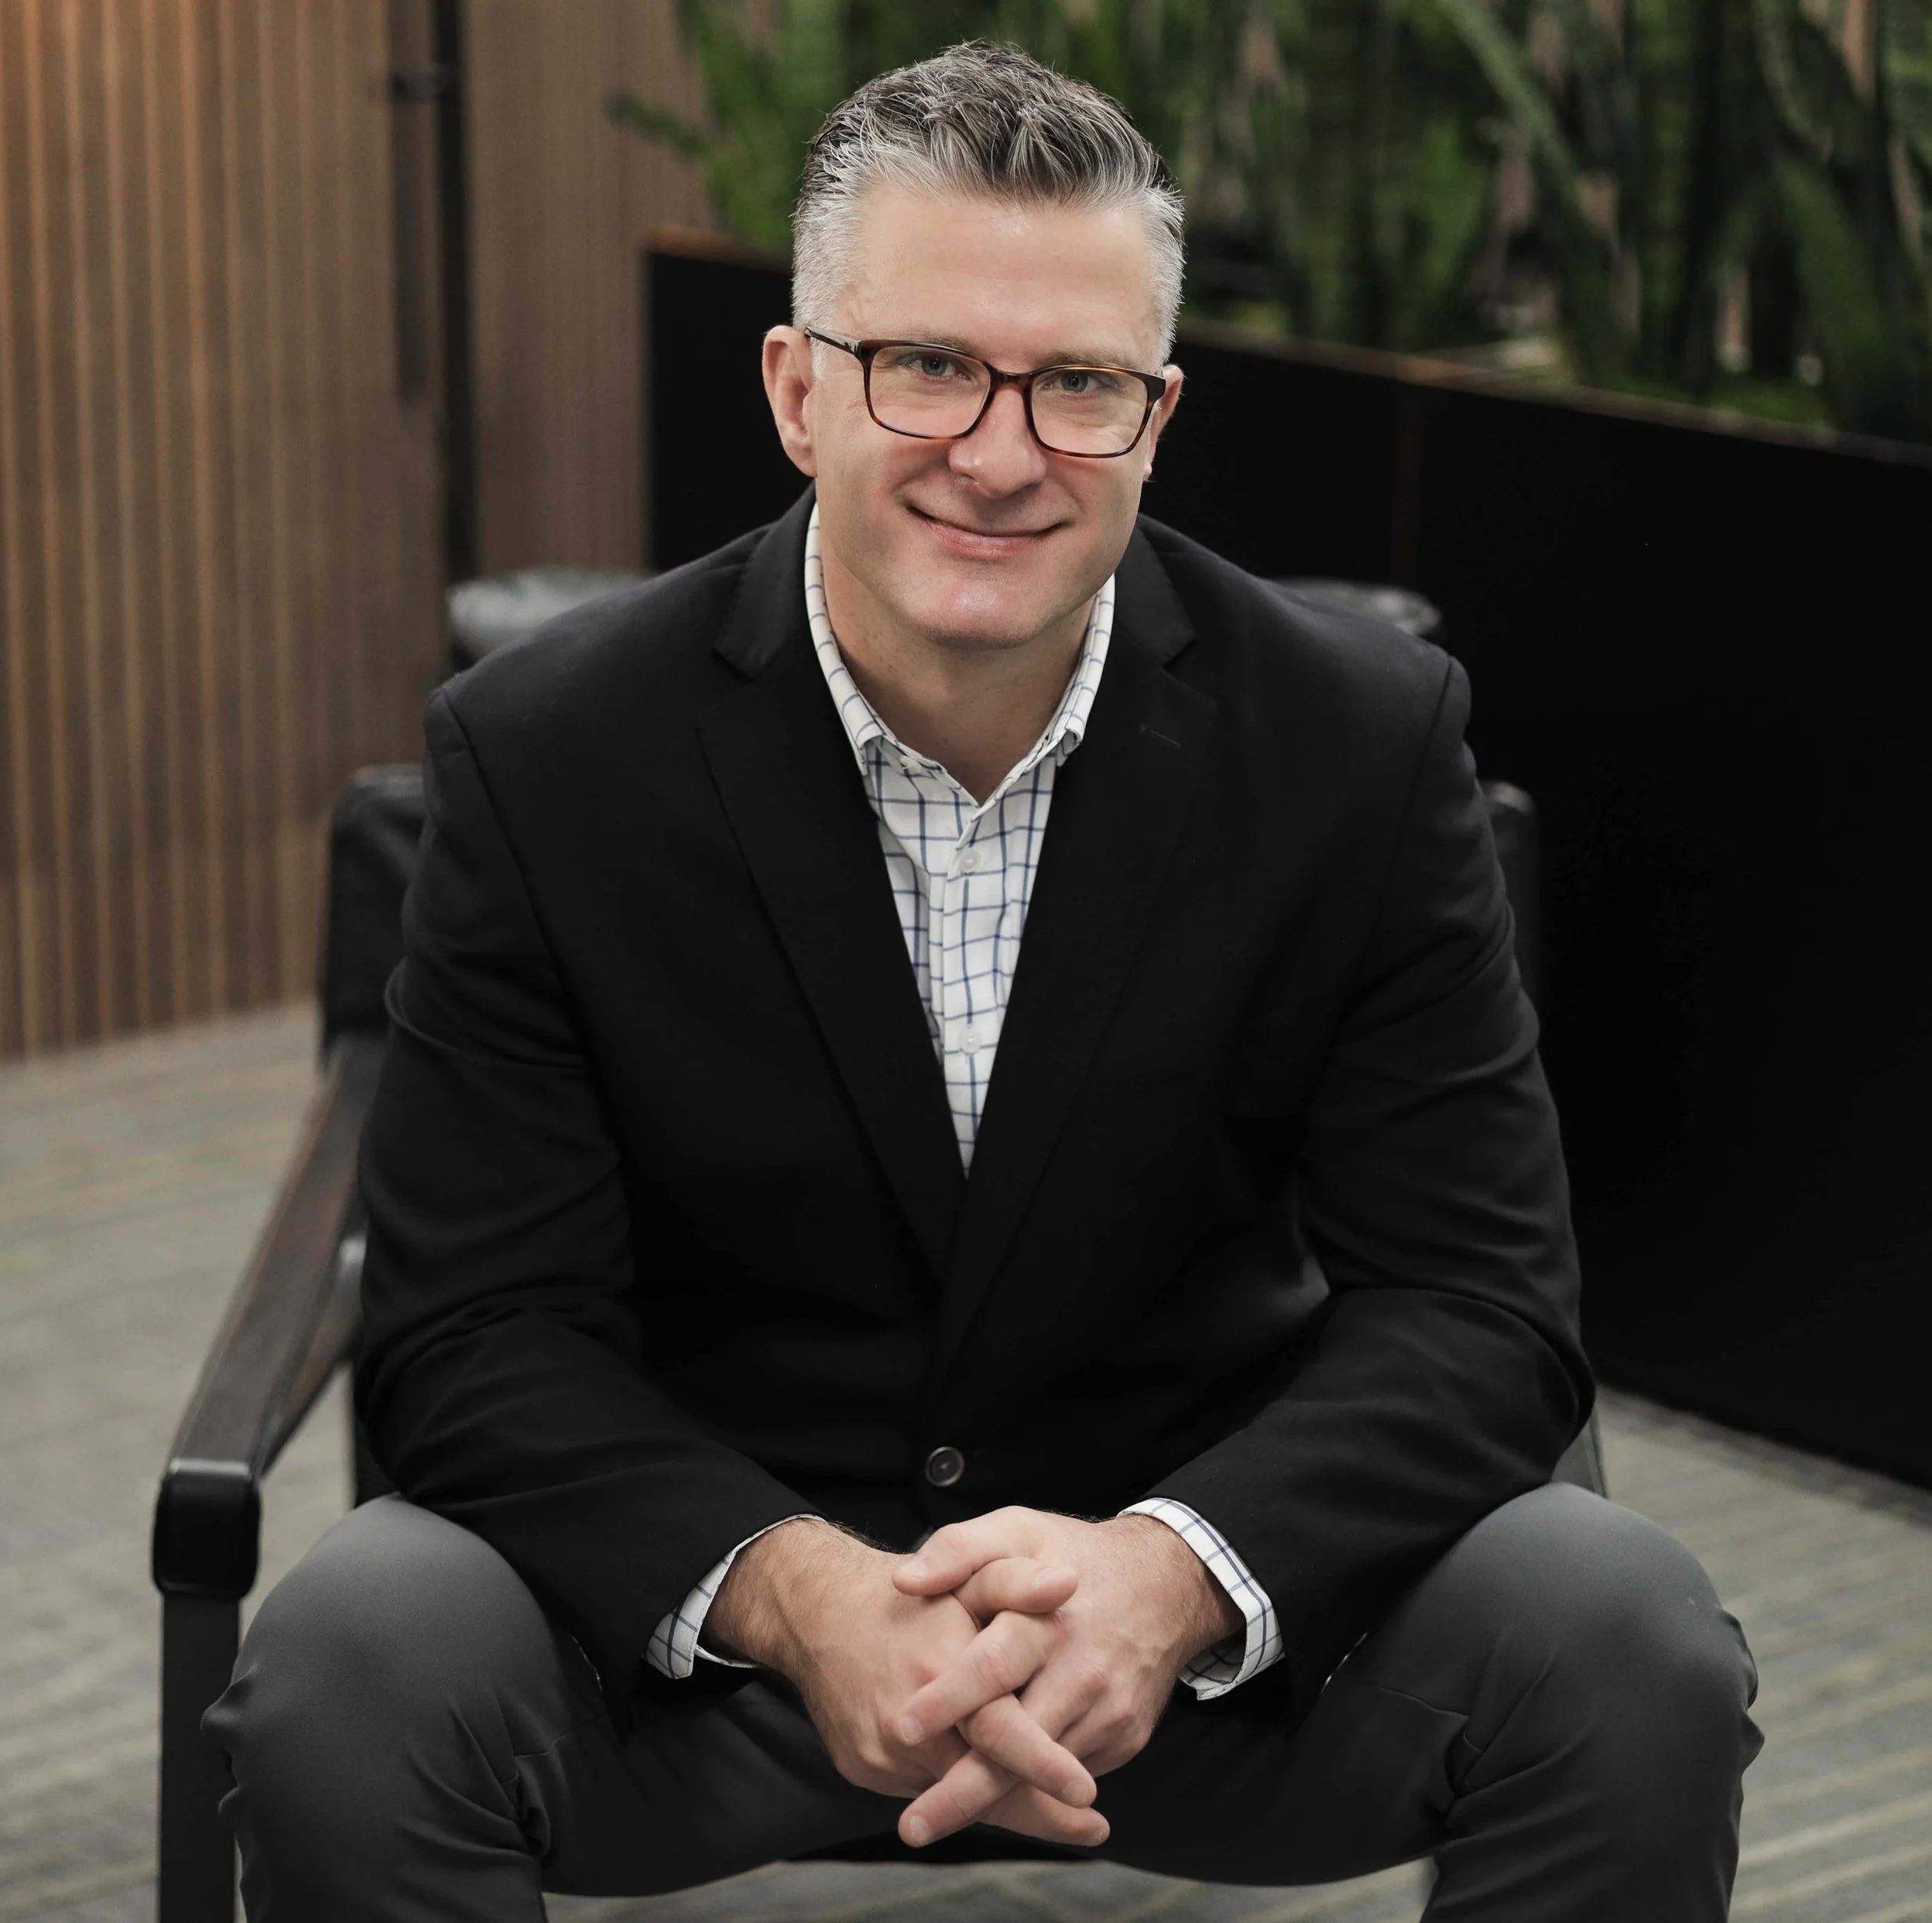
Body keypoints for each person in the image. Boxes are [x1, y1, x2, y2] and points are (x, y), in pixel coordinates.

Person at [207, 41, 1759, 1921]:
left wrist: (1176, 1569)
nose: (1001, 450)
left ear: (1155, 414)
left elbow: (1480, 1304)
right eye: (925, 363)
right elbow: (472, 1338)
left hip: (1200, 1659)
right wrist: (797, 1588)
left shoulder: (1355, 743)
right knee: (352, 1661)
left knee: (1623, 1635)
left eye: (1078, 384)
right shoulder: (544, 757)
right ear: (796, 389)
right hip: (701, 1654)